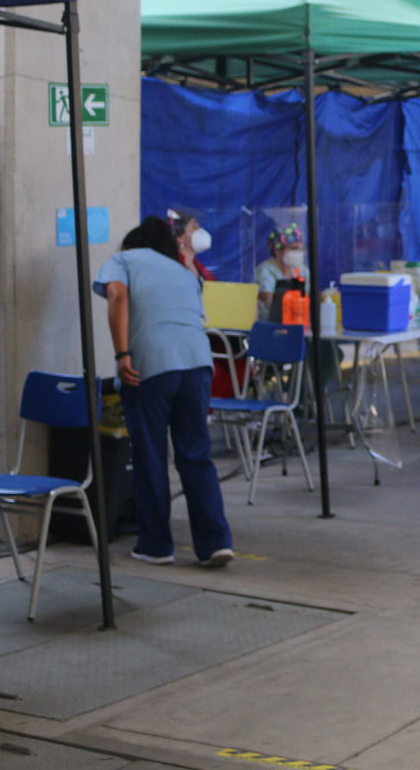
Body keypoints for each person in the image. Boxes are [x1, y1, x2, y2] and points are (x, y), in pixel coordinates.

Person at [94, 217, 234, 569]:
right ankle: (216, 543)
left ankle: (156, 546)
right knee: (196, 454)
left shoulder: (124, 259)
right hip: (198, 364)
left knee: (151, 457)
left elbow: (117, 294)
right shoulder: (184, 272)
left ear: (130, 244)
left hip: (151, 367)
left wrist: (122, 353)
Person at [255, 223, 305, 321]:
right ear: (277, 251)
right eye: (294, 248)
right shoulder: (265, 270)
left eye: (301, 248)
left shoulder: (303, 270)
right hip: (270, 325)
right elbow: (270, 304)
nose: (299, 252)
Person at [168, 207, 214, 283]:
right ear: (180, 237)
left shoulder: (204, 271)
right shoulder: (173, 267)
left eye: (198, 227)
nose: (200, 231)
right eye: (194, 227)